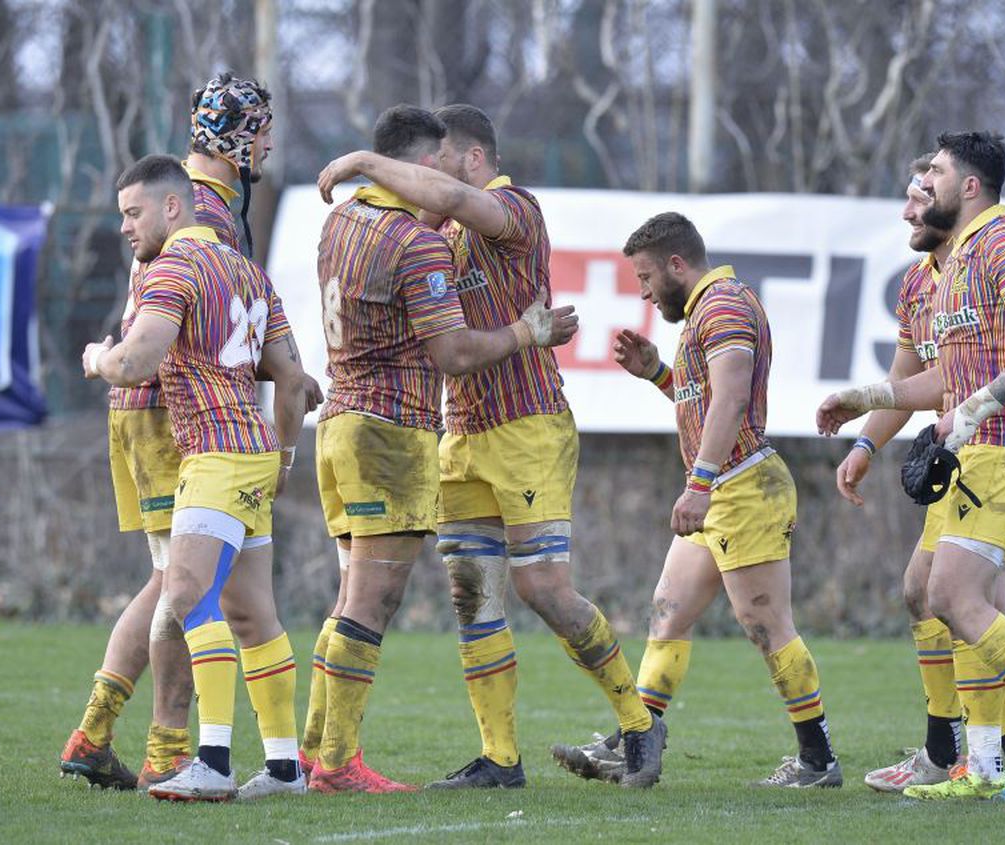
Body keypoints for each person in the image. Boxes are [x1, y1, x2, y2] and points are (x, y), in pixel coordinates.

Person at [316, 103, 666, 789]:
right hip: (462, 431)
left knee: (543, 589)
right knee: (474, 595)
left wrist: (360, 160)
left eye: (438, 162)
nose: (427, 180)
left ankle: (639, 720)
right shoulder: (434, 229)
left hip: (528, 425)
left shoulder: (515, 210)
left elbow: (443, 195)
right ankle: (501, 757)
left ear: (472, 158)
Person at [815, 131, 1005, 803]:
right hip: (975, 452)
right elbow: (941, 377)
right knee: (933, 591)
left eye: (933, 176)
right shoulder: (952, 265)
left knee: (951, 596)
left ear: (968, 185)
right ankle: (983, 763)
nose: (919, 194)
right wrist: (867, 404)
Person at [59, 72, 318, 791]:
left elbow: (159, 345)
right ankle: (222, 756)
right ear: (237, 136)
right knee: (213, 593)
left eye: (131, 214)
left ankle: (154, 742)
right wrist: (287, 437)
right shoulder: (218, 232)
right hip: (204, 425)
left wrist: (102, 358)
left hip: (192, 425)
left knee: (181, 584)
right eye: (262, 129)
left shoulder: (192, 232)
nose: (269, 142)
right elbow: (279, 370)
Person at [553, 212, 842, 788]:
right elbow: (705, 398)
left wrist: (700, 484)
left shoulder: (724, 305)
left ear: (676, 265)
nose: (642, 291)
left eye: (645, 277)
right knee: (669, 612)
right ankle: (635, 740)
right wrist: (658, 373)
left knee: (766, 624)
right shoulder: (706, 313)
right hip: (726, 486)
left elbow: (732, 397)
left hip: (742, 486)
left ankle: (818, 760)